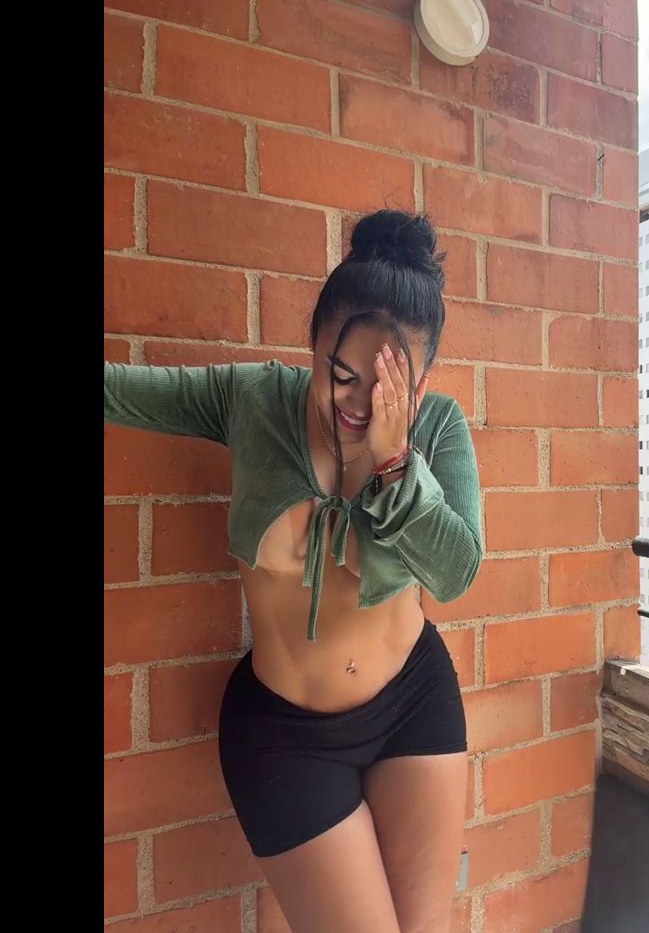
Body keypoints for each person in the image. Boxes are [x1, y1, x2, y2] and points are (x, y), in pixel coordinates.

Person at [104, 209, 483, 933]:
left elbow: (456, 571)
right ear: (313, 345)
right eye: (340, 376)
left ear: (422, 380)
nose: (357, 406)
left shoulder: (438, 427)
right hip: (284, 733)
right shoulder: (252, 399)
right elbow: (121, 390)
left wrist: (396, 466)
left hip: (414, 702)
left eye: (387, 387)